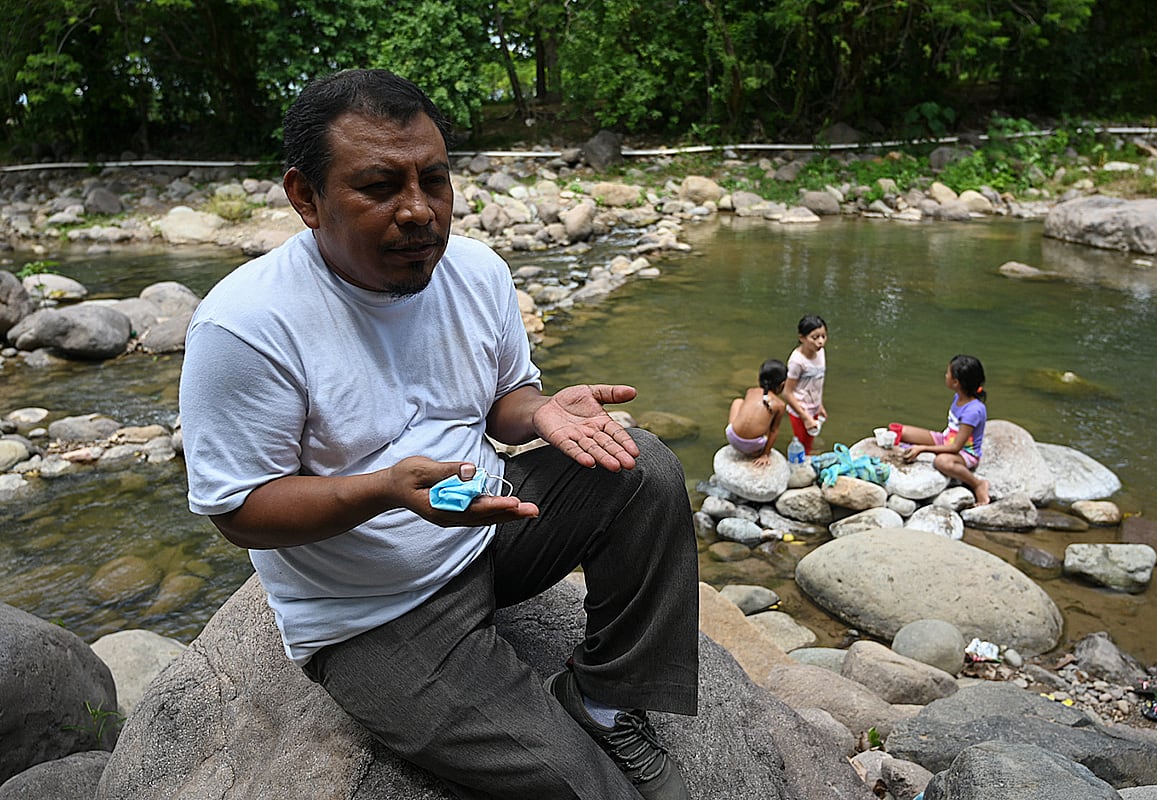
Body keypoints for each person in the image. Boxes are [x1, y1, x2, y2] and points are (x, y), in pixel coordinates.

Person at [178, 68, 697, 800]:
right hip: (370, 613)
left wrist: (539, 412)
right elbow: (239, 512)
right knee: (582, 788)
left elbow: (501, 402)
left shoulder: (477, 271)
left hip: (489, 527)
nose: (419, 213)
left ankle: (606, 698)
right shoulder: (246, 327)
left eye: (435, 180)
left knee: (642, 466)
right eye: (380, 187)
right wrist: (387, 491)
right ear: (305, 197)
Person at [892, 354, 990, 506]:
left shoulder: (973, 411)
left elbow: (956, 447)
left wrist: (922, 448)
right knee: (902, 432)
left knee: (942, 462)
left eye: (948, 373)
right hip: (946, 439)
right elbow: (952, 435)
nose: (946, 376)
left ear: (956, 382)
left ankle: (977, 484)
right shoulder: (958, 397)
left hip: (965, 453)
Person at [725, 358, 788, 466]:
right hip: (753, 447)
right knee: (769, 420)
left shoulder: (751, 391)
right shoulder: (780, 405)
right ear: (782, 384)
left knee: (738, 401)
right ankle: (757, 448)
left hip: (732, 437)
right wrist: (765, 454)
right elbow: (774, 431)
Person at [782, 314, 828, 453]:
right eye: (815, 338)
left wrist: (819, 405)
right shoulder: (797, 362)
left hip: (813, 407)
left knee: (808, 444)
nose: (820, 342)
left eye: (823, 336)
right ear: (802, 338)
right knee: (802, 446)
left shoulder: (820, 353)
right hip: (800, 410)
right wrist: (805, 417)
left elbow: (816, 383)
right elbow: (786, 392)